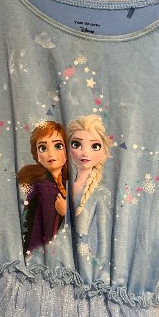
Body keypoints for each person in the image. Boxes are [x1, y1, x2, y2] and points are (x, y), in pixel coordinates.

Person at [67, 115, 112, 279]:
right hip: (60, 259)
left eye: (95, 146)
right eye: (76, 144)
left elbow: (103, 239)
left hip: (85, 266)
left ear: (104, 153)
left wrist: (100, 272)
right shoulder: (63, 187)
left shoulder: (101, 194)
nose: (85, 152)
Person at [17, 121, 67, 255]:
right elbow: (27, 225)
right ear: (37, 156)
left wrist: (65, 212)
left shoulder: (70, 184)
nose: (51, 153)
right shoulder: (40, 188)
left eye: (58, 146)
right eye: (43, 148)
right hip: (44, 255)